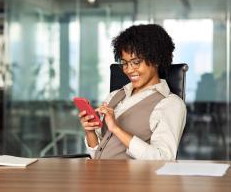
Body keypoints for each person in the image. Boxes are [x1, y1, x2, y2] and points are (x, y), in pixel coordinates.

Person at [78, 24, 186, 159]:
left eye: (136, 62)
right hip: (100, 176)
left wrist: (116, 129)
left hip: (132, 180)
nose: (128, 70)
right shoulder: (115, 95)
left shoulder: (170, 104)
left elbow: (163, 158)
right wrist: (90, 132)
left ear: (156, 60)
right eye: (124, 63)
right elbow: (96, 155)